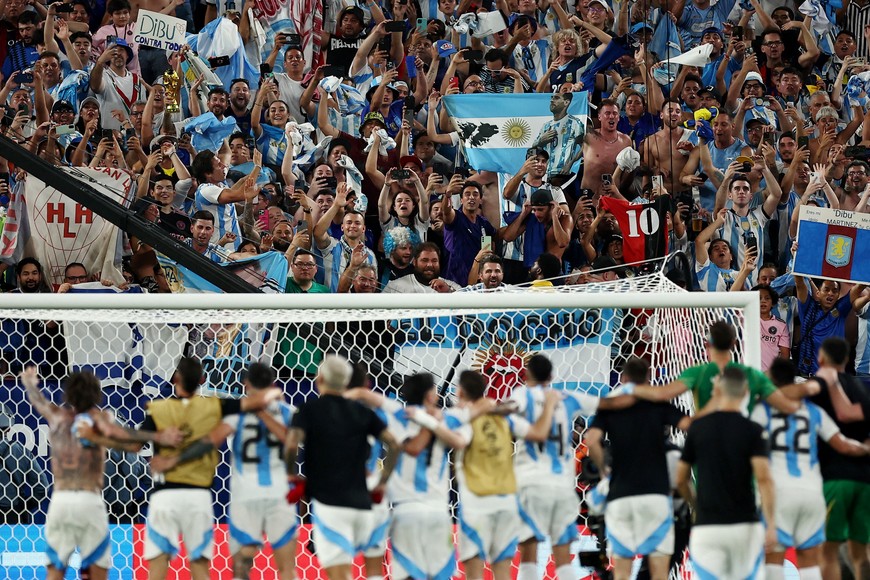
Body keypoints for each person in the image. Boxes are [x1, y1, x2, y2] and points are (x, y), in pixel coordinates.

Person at [21, 367, 181, 580]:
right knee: (98, 571)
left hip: (61, 501)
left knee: (55, 572)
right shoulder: (103, 419)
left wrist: (30, 382)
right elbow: (134, 444)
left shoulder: (57, 417)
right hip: (90, 501)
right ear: (97, 394)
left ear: (67, 394)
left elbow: (38, 401)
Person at [153, 363, 298, 580]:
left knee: (241, 566)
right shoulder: (288, 412)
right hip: (279, 495)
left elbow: (210, 441)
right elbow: (293, 441)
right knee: (287, 568)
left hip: (245, 496)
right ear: (273, 383)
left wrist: (176, 459)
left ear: (246, 384)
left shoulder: (237, 415)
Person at [512, 354, 634, 580]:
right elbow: (606, 404)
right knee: (563, 561)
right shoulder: (566, 398)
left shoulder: (521, 395)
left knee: (528, 557)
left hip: (532, 484)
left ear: (526, 375)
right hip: (561, 486)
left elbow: (509, 412)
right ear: (551, 376)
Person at [284, 354, 400, 580]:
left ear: (320, 380)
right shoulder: (368, 412)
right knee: (375, 572)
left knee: (340, 573)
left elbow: (291, 445)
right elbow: (394, 443)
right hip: (368, 498)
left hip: (332, 503)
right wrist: (383, 482)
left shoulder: (309, 410)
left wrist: (292, 474)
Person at [753, 357, 870, 580]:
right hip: (811, 495)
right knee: (808, 563)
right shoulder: (813, 412)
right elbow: (844, 446)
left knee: (774, 561)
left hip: (779, 494)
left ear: (772, 380)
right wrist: (864, 449)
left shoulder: (763, 409)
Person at [447, 370, 559, 580]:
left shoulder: (463, 420)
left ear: (460, 392)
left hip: (476, 505)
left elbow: (457, 441)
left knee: (474, 574)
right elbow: (538, 433)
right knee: (502, 573)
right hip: (506, 503)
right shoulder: (506, 420)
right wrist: (550, 406)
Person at [586, 357, 691, 580]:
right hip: (656, 495)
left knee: (622, 572)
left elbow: (591, 438)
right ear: (648, 379)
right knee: (659, 572)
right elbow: (689, 426)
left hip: (620, 495)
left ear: (623, 379)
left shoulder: (612, 405)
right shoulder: (658, 402)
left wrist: (604, 468)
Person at [676, 366, 775, 579]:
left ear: (717, 391)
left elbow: (681, 479)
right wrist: (772, 524)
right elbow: (765, 480)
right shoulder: (754, 430)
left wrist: (695, 505)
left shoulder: (698, 429)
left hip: (708, 526)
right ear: (745, 392)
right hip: (745, 526)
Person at [632, 320, 815, 415]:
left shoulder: (697, 372)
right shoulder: (751, 374)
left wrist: (628, 388)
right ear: (734, 343)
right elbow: (784, 404)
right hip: (740, 449)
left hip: (708, 450)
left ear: (707, 344)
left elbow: (660, 394)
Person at [808, 338, 870, 580]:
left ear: (820, 359)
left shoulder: (815, 386)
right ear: (846, 360)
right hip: (864, 480)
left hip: (834, 478)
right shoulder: (862, 390)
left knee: (828, 553)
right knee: (862, 553)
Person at [0, 403, 48, 524]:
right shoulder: (21, 451)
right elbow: (42, 487)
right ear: (9, 428)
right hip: (13, 516)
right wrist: (24, 506)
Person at [384, 242, 459, 293]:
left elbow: (467, 309)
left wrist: (448, 291)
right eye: (425, 260)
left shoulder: (451, 286)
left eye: (434, 261)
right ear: (414, 262)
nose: (429, 265)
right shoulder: (395, 287)